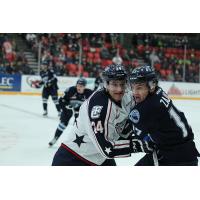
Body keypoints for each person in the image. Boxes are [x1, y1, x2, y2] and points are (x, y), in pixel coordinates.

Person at [52, 64, 136, 166]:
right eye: (114, 84)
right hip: (73, 159)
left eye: (122, 84)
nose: (119, 89)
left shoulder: (127, 96)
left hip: (99, 158)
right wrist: (139, 144)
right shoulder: (100, 107)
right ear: (106, 84)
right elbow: (106, 148)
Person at [128, 65, 200, 166]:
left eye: (139, 87)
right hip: (185, 150)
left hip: (176, 158)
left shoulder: (147, 108)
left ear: (151, 85)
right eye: (133, 87)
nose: (135, 92)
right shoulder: (158, 91)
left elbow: (138, 135)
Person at [48, 78, 93, 147]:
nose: (79, 87)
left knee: (78, 126)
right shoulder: (70, 90)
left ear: (84, 86)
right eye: (78, 85)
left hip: (81, 111)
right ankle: (55, 138)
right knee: (63, 123)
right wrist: (66, 106)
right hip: (68, 109)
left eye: (81, 86)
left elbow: (94, 104)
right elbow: (61, 100)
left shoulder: (89, 93)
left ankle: (76, 142)